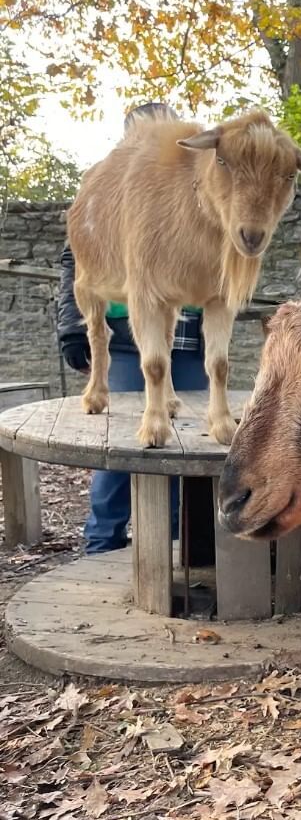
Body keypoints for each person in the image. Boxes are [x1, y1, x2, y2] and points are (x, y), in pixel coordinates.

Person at [56, 102, 209, 555]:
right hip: (126, 341)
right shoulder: (109, 184)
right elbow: (75, 259)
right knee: (120, 448)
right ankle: (102, 544)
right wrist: (74, 326)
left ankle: (182, 547)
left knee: (191, 450)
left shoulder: (193, 183)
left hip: (186, 340)